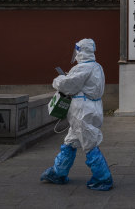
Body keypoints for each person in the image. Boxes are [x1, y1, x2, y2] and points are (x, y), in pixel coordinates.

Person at [40, 38, 113, 191]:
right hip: (92, 107)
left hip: (82, 111)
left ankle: (103, 178)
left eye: (77, 50)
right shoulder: (97, 66)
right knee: (71, 141)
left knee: (89, 143)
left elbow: (67, 86)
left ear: (81, 50)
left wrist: (59, 79)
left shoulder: (82, 68)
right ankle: (58, 172)